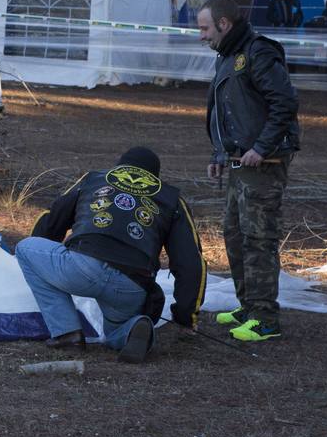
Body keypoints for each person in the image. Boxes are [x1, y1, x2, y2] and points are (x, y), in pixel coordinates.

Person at [15, 147, 205, 364]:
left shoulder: (94, 179)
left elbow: (52, 220)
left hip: (83, 267)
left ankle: (67, 332)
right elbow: (191, 264)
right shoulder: (172, 199)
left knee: (25, 249)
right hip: (132, 285)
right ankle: (134, 329)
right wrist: (185, 317)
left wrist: (46, 265)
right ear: (155, 176)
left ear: (119, 166)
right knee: (116, 330)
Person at [198, 0, 300, 342]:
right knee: (235, 234)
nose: (202, 35)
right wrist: (218, 154)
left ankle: (265, 319)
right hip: (239, 163)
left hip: (264, 165)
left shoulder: (259, 52)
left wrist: (261, 147)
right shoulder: (227, 57)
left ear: (224, 24)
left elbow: (284, 103)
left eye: (205, 28)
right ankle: (248, 306)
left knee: (259, 239)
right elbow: (224, 113)